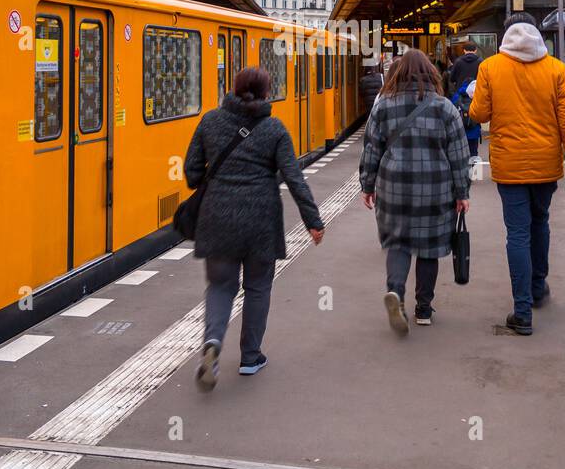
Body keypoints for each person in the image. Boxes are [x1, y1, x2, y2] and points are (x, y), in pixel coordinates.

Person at [185, 66, 325, 390]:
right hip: (261, 219)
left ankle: (213, 343)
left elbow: (192, 172)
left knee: (220, 287)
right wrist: (313, 222)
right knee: (258, 287)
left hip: (217, 218)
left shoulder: (210, 121)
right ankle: (250, 358)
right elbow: (294, 177)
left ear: (234, 90)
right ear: (266, 93)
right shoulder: (274, 128)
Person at [468, 12, 565, 336]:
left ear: (505, 37)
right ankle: (537, 289)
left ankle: (522, 313)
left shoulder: (490, 68)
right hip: (546, 165)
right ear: (537, 33)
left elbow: (478, 113)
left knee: (517, 234)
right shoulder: (556, 69)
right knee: (540, 222)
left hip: (510, 166)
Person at [359, 50, 470, 334]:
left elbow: (371, 147)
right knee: (429, 247)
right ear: (430, 73)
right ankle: (423, 309)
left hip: (393, 186)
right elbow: (458, 153)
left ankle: (395, 293)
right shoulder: (445, 107)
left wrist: (367, 185)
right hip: (435, 187)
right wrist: (462, 192)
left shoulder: (383, 105)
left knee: (398, 243)